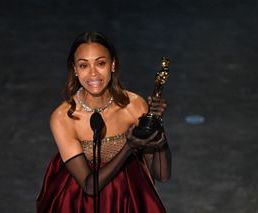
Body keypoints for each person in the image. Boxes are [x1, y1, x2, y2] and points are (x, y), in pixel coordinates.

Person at [36, 32, 171, 213]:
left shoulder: (134, 105)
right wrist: (129, 148)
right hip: (80, 203)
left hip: (127, 198)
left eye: (100, 63)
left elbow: (161, 175)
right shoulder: (63, 118)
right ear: (75, 69)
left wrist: (156, 124)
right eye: (84, 65)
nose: (93, 73)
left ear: (112, 64)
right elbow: (89, 186)